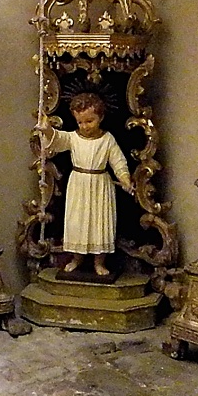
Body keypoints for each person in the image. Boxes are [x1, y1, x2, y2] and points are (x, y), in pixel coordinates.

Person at [36, 92, 135, 276]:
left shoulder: (107, 139)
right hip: (78, 186)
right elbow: (58, 139)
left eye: (89, 121)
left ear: (101, 117)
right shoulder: (74, 137)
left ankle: (99, 262)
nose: (84, 126)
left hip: (100, 186)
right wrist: (47, 129)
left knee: (99, 223)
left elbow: (118, 162)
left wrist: (125, 179)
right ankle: (76, 259)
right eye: (80, 122)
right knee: (77, 222)